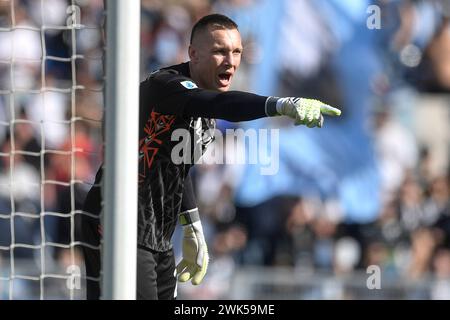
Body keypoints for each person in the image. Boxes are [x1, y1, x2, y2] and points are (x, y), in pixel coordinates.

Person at [80, 13, 341, 300]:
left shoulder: (205, 112)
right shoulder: (169, 86)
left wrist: (192, 226)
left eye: (236, 51)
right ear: (193, 54)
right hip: (117, 221)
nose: (230, 61)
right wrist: (279, 104)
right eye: (219, 51)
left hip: (156, 234)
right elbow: (221, 104)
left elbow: (178, 170)